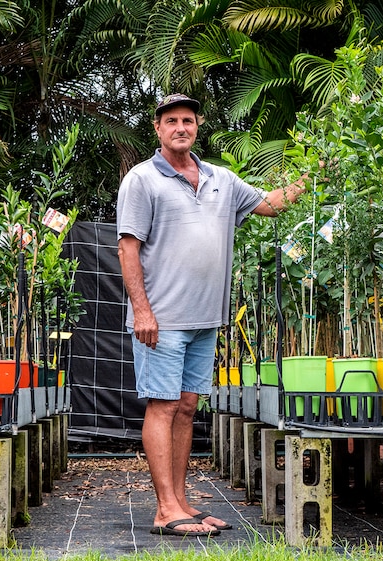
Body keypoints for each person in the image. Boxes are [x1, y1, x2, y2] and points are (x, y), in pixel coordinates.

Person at [116, 93, 308, 536]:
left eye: (187, 120)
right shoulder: (142, 180)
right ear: (158, 129)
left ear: (197, 126)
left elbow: (271, 204)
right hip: (161, 321)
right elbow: (128, 248)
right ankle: (166, 509)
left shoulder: (221, 179)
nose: (180, 127)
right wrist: (142, 311)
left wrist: (311, 177)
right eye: (171, 121)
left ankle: (181, 502)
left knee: (186, 408)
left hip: (205, 320)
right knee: (162, 407)